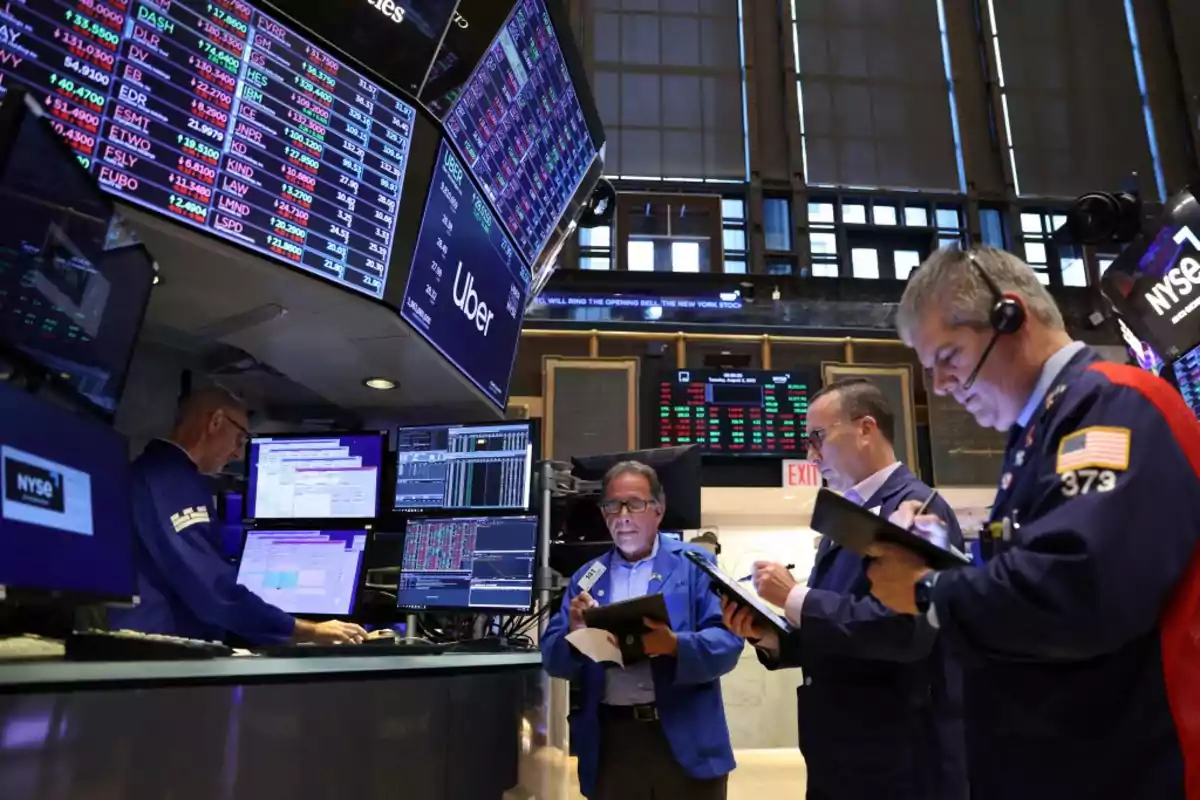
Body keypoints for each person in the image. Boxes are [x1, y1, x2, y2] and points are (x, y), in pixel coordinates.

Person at [866, 246, 1200, 799]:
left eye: (948, 356)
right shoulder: (1042, 432)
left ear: (1011, 316)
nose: (942, 385)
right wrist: (939, 560)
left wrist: (930, 592)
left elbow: (1078, 587)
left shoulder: (1114, 404)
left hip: (1128, 770)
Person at [722, 378, 968, 800]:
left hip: (897, 760)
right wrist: (773, 637)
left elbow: (904, 631)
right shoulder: (846, 514)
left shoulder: (919, 509)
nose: (810, 453)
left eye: (817, 436)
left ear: (866, 428)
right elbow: (840, 634)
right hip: (842, 754)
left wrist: (794, 597)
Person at [541, 461, 742, 800]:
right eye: (612, 505)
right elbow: (553, 658)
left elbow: (728, 642)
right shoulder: (587, 577)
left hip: (684, 739)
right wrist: (574, 636)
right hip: (613, 743)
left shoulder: (694, 564)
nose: (623, 515)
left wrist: (674, 645)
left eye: (635, 503)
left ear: (658, 510)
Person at [110, 387, 367, 645]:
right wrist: (308, 631)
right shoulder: (171, 482)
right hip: (153, 647)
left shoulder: (157, 474)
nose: (237, 453)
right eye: (240, 438)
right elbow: (214, 591)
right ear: (216, 421)